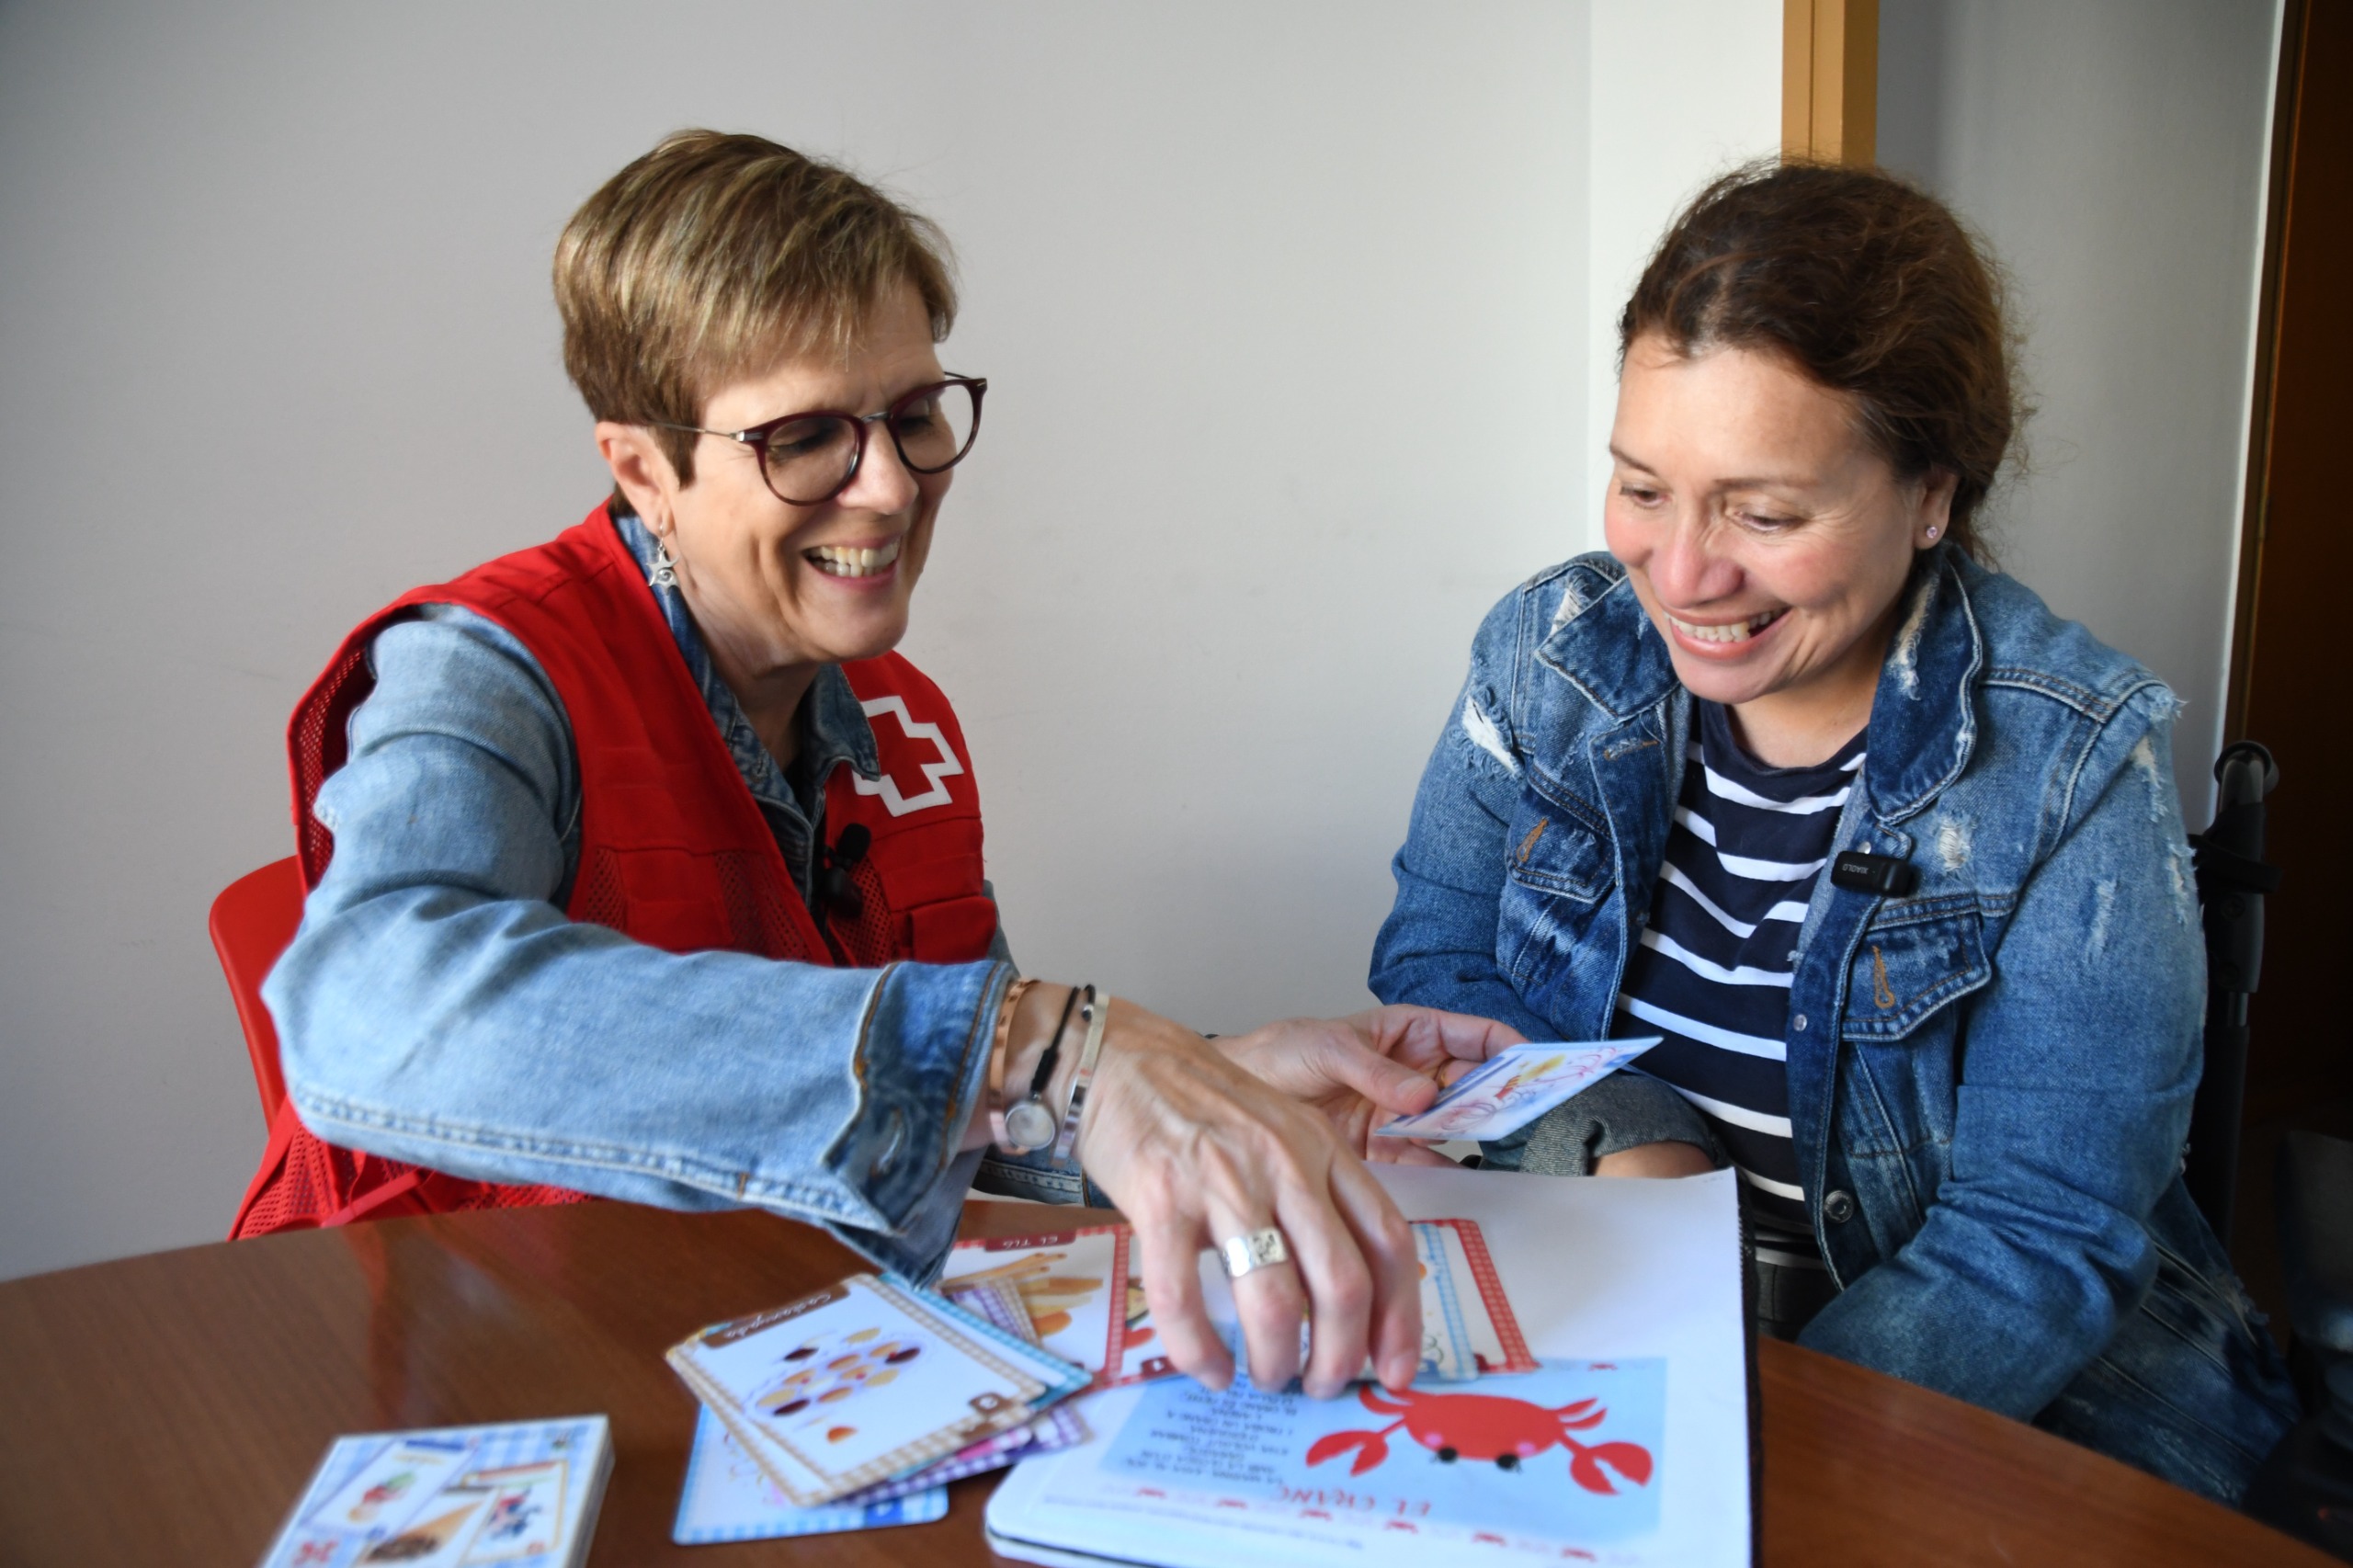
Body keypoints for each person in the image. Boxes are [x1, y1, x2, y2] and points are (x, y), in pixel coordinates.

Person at [233, 130, 1518, 1402]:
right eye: (804, 438)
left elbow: (970, 1123)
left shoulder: (907, 722)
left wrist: (1198, 1080)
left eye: (914, 416)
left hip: (749, 1365)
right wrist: (1040, 1049)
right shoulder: (487, 669)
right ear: (642, 469)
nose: (893, 487)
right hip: (423, 1382)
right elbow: (360, 1015)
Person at [1370, 160, 2299, 1504]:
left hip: (1982, 1399)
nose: (1681, 573)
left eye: (1764, 512)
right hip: (1605, 1329)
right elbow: (1433, 968)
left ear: (1930, 494)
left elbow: (2042, 1237)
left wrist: (1748, 1444)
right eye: (1643, 486)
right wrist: (1625, 1124)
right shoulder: (1554, 652)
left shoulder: (2069, 757)